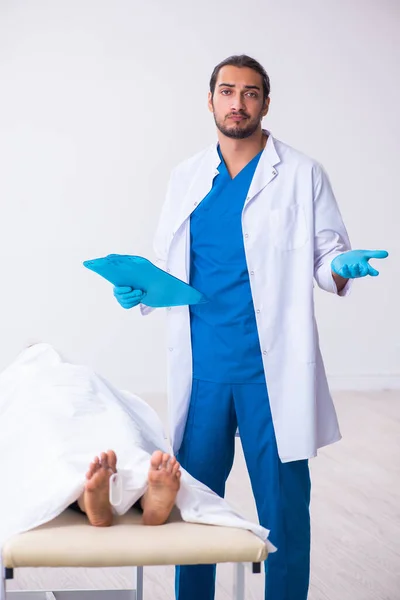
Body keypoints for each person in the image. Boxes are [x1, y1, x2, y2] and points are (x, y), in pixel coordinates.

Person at [113, 55, 388, 600]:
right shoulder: (187, 176)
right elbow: (168, 263)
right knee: (195, 511)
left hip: (272, 373)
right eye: (227, 91)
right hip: (205, 368)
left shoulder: (302, 173)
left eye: (251, 93)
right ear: (210, 99)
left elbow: (325, 252)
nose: (238, 103)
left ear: (266, 102)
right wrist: (141, 288)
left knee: (284, 514)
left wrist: (339, 266)